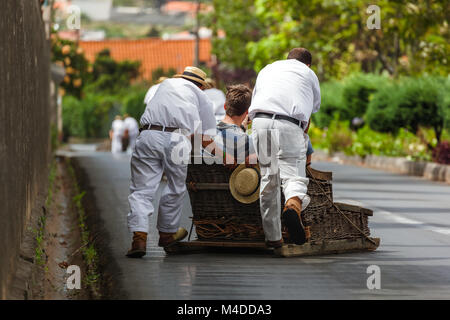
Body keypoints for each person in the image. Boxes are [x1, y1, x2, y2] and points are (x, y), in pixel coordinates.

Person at [126, 66, 234, 258]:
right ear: (201, 86)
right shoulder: (202, 97)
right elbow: (205, 137)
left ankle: (139, 237)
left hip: (149, 134)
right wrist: (225, 157)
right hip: (177, 139)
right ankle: (167, 235)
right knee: (175, 187)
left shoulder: (164, 85)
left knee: (142, 190)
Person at [248, 47, 321, 248]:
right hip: (289, 124)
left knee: (268, 178)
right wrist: (303, 134)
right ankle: (292, 205)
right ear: (308, 64)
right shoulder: (308, 73)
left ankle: (274, 238)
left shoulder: (268, 68)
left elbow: (255, 98)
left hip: (260, 121)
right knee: (293, 176)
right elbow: (311, 109)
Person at [215, 84, 256, 163]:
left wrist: (242, 128)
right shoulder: (246, 141)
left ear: (225, 106)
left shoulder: (207, 133)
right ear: (247, 111)